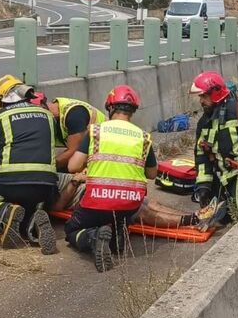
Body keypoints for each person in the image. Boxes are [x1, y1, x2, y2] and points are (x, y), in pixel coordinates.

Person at [64, 86, 222, 271]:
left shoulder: (95, 131)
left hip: (96, 202)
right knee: (142, 206)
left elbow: (72, 166)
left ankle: (92, 237)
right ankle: (116, 239)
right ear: (133, 111)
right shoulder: (143, 137)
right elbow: (152, 174)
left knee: (71, 230)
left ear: (110, 107)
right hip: (128, 206)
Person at [0, 75, 59, 255]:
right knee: (34, 202)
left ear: (2, 98)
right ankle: (33, 222)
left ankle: (5, 213)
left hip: (9, 183)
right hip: (45, 185)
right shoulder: (47, 115)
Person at [190, 71, 238, 220]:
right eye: (200, 97)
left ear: (215, 93)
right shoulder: (204, 123)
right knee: (216, 217)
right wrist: (203, 187)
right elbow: (201, 157)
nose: (201, 101)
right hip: (223, 178)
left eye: (204, 96)